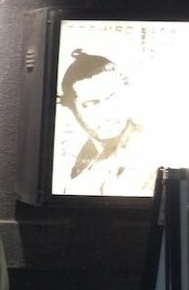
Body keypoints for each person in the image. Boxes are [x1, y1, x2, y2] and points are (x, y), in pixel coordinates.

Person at [56, 49, 155, 196]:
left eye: (112, 97)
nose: (107, 112)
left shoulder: (151, 151)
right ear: (72, 108)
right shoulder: (72, 160)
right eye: (92, 104)